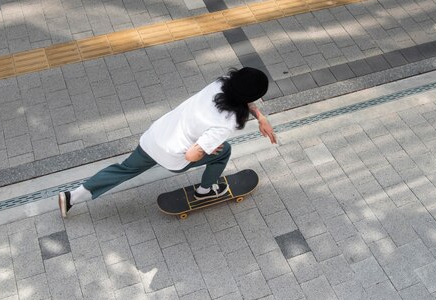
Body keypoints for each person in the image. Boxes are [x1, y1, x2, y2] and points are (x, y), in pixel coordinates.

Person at [58, 67, 277, 217]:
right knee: (224, 151)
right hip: (173, 156)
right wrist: (205, 147)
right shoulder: (226, 123)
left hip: (154, 137)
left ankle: (72, 196)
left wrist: (260, 117)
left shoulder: (220, 84)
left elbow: (239, 96)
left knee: (124, 169)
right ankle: (206, 190)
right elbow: (191, 155)